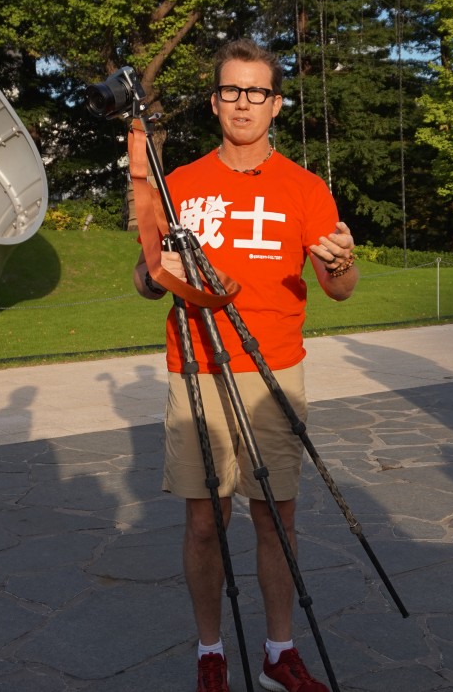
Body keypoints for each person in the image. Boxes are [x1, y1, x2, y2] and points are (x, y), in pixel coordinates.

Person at [132, 38, 357, 692]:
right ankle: (210, 652)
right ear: (214, 101)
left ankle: (278, 651)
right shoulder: (181, 184)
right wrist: (155, 276)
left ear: (276, 103)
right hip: (197, 370)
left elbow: (340, 288)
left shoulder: (305, 188)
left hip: (274, 371)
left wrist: (341, 260)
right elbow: (146, 278)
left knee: (276, 519)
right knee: (205, 521)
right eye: (231, 90)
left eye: (256, 92)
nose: (243, 103)